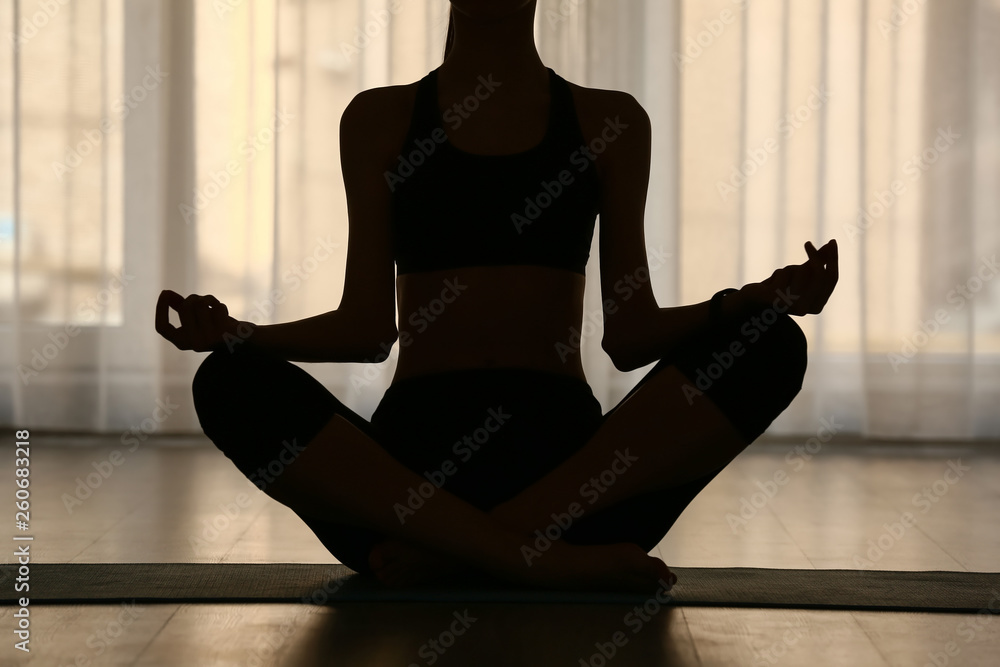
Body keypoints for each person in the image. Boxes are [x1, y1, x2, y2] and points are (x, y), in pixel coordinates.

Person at [155, 0, 838, 593]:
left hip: (565, 478)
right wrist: (238, 335)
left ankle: (469, 548)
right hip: (413, 471)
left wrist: (752, 300)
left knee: (771, 344)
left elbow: (629, 335)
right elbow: (366, 329)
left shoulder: (611, 121)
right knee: (228, 382)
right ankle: (537, 560)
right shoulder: (378, 118)